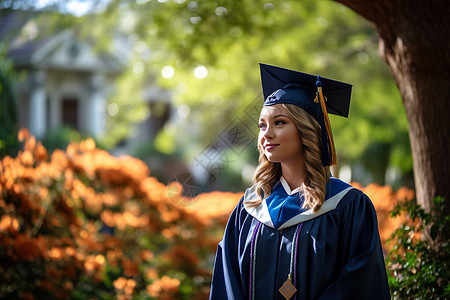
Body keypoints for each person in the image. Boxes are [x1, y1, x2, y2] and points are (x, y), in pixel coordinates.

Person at [209, 63, 390, 300]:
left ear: (307, 130)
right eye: (262, 125)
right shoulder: (251, 207)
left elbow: (360, 284)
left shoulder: (346, 205)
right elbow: (228, 281)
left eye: (280, 122)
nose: (267, 134)